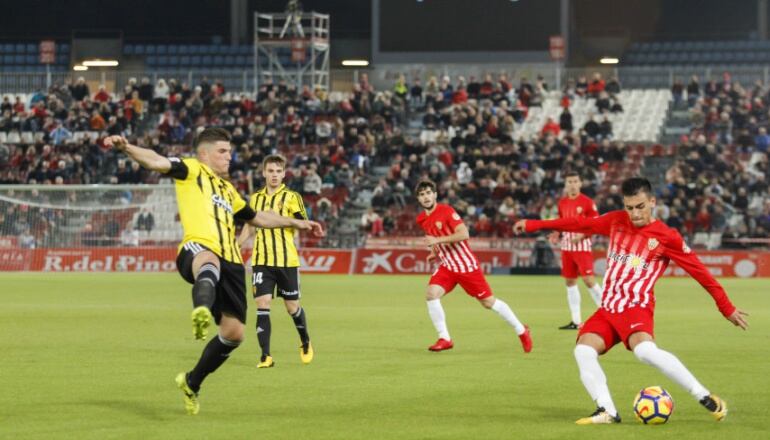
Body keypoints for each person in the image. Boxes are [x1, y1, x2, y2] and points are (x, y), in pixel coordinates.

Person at [104, 129, 324, 415]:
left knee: (234, 334)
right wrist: (126, 147)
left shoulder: (228, 190)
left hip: (232, 262)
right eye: (222, 151)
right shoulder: (191, 169)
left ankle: (192, 382)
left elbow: (257, 217)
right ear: (204, 154)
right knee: (209, 261)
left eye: (229, 151)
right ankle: (202, 311)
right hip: (198, 248)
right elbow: (155, 161)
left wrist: (297, 224)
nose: (229, 156)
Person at [513, 177, 748, 424]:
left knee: (645, 351)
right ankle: (607, 411)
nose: (634, 213)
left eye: (640, 206)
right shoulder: (616, 221)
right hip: (608, 307)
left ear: (652, 202)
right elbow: (577, 223)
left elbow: (701, 273)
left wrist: (726, 307)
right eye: (629, 207)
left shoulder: (667, 237)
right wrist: (533, 224)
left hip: (636, 306)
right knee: (583, 350)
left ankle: (703, 395)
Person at [415, 180, 532, 353]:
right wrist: (435, 251)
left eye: (428, 193)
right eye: (422, 194)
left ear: (435, 194)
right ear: (418, 199)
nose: (426, 197)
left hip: (465, 266)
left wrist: (437, 241)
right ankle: (445, 338)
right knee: (431, 294)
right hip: (447, 266)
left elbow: (464, 233)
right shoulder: (421, 219)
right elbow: (434, 236)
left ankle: (521, 330)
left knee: (488, 302)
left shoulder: (446, 211)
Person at [237, 154, 314, 369]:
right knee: (262, 304)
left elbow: (302, 223)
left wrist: (276, 218)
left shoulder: (292, 197)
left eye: (278, 171)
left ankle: (305, 340)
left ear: (284, 173)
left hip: (286, 260)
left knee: (292, 307)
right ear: (263, 173)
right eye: (270, 171)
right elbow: (250, 227)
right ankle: (265, 356)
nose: (274, 175)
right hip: (261, 260)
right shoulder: (255, 199)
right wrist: (237, 245)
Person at [551, 172, 603, 330]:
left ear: (580, 183)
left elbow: (596, 223)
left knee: (588, 280)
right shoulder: (562, 203)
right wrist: (556, 233)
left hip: (582, 248)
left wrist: (582, 235)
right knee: (570, 282)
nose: (572, 184)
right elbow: (561, 222)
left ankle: (609, 313)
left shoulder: (587, 202)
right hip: (566, 247)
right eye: (569, 181)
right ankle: (576, 321)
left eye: (575, 181)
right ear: (565, 184)